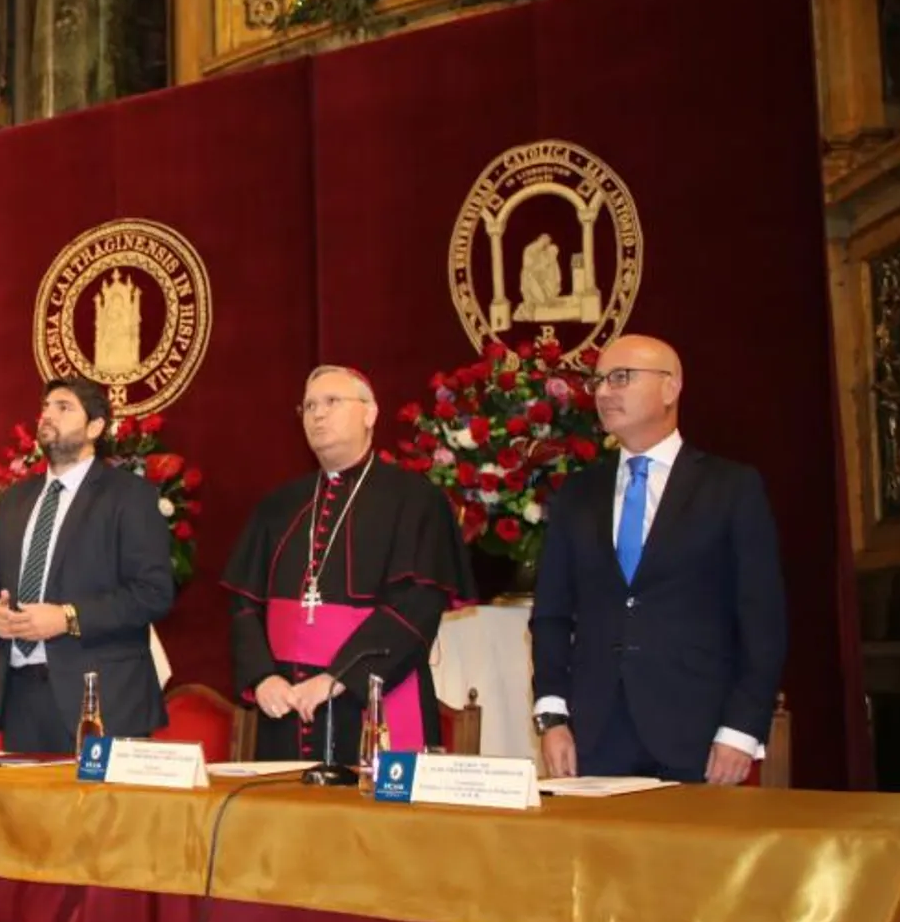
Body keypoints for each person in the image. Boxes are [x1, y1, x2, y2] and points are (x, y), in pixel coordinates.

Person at [531, 335, 786, 784]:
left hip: (700, 735)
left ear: (670, 388)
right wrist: (552, 717)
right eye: (599, 380)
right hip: (597, 735)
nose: (605, 391)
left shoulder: (731, 488)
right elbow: (551, 615)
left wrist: (741, 730)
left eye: (621, 377)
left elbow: (762, 619)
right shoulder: (577, 494)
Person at [223, 366, 473, 764]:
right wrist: (262, 676)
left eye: (331, 402)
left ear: (370, 413)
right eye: (308, 406)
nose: (317, 414)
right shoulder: (278, 506)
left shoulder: (415, 500)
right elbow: (244, 605)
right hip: (286, 703)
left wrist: (338, 677)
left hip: (375, 693)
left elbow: (418, 605)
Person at [0, 378, 174, 752]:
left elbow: (153, 593)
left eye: (64, 407)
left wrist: (67, 618)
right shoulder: (15, 499)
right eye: (46, 406)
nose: (48, 415)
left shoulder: (129, 496)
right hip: (21, 698)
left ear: (95, 427)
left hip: (102, 700)